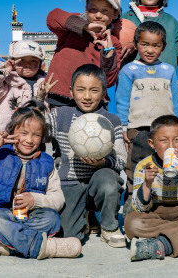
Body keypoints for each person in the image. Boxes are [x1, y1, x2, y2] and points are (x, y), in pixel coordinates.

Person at [0, 102, 81, 259]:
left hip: (30, 217)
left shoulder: (46, 162)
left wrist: (35, 200)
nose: (29, 140)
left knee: (52, 219)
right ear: (12, 131)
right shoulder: (0, 155)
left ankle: (3, 247)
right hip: (0, 215)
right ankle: (38, 246)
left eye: (36, 135)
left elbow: (58, 199)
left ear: (42, 137)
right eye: (24, 133)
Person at [46, 64, 127, 247]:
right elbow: (34, 127)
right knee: (68, 236)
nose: (87, 96)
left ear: (104, 92)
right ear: (71, 91)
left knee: (108, 179)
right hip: (69, 182)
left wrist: (103, 162)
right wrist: (38, 100)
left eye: (94, 90)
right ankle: (83, 218)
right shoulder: (60, 115)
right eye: (81, 90)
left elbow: (122, 160)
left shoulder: (112, 120)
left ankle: (109, 227)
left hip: (99, 180)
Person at [125, 115, 178, 261]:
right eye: (163, 140)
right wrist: (147, 183)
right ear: (152, 144)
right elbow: (140, 208)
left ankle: (162, 244)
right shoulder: (144, 166)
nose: (171, 146)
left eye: (177, 140)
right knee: (131, 222)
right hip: (156, 213)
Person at [115, 21, 178, 212]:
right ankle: (132, 202)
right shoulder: (129, 71)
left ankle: (164, 201)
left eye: (156, 45)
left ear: (164, 47)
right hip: (139, 128)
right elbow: (123, 101)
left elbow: (174, 100)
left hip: (166, 130)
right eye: (145, 44)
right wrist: (125, 128)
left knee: (166, 165)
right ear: (136, 44)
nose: (150, 50)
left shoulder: (169, 70)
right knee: (136, 167)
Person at [45, 0, 122, 107]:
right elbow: (52, 17)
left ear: (115, 14)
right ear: (86, 9)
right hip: (60, 95)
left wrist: (108, 52)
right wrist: (84, 26)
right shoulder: (72, 25)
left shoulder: (113, 43)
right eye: (93, 9)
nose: (98, 15)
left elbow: (109, 81)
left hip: (92, 102)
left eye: (105, 11)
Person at [0, 40, 50, 134]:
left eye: (33, 60)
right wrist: (1, 72)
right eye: (22, 60)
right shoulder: (6, 82)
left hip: (35, 136)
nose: (28, 64)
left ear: (40, 64)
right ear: (13, 61)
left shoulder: (45, 84)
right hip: (7, 136)